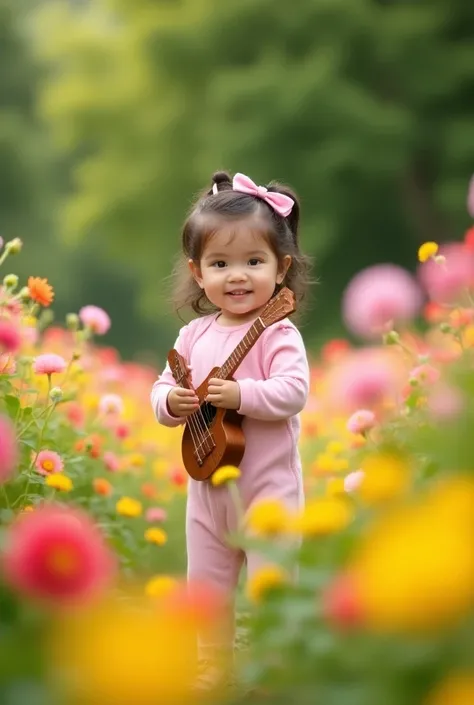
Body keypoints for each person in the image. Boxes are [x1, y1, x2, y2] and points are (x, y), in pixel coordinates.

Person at [150, 170, 311, 690]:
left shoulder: (277, 331)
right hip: (208, 493)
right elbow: (161, 386)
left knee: (271, 587)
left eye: (253, 262)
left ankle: (274, 671)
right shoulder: (192, 333)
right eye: (220, 264)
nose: (236, 276)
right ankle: (211, 672)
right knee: (207, 591)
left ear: (281, 268)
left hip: (268, 492)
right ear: (198, 273)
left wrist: (242, 395)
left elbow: (293, 391)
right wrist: (169, 402)